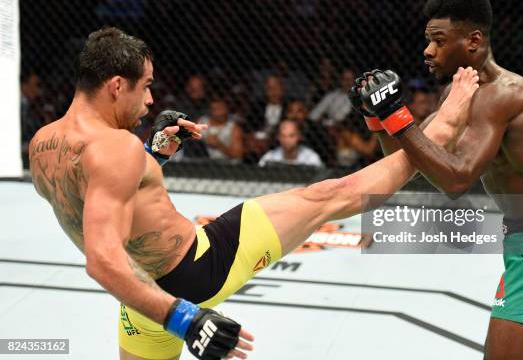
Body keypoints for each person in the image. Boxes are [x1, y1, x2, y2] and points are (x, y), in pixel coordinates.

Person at [28, 27, 479, 360]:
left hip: (140, 295)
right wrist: (186, 318)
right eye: (145, 87)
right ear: (115, 85)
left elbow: (97, 200)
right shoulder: (116, 148)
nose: (150, 101)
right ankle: (447, 117)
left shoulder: (42, 144)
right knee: (335, 194)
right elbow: (101, 260)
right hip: (195, 272)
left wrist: (153, 156)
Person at [352, 0, 523, 359]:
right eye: (427, 40)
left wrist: (398, 117)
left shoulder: (504, 94)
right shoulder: (456, 93)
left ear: (474, 40)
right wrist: (378, 117)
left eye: (438, 41)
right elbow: (410, 159)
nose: (427, 51)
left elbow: (456, 179)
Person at [258, 119, 323, 167]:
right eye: (283, 136)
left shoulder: (311, 158)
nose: (287, 140)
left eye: (291, 136)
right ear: (278, 137)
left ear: (299, 136)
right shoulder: (269, 157)